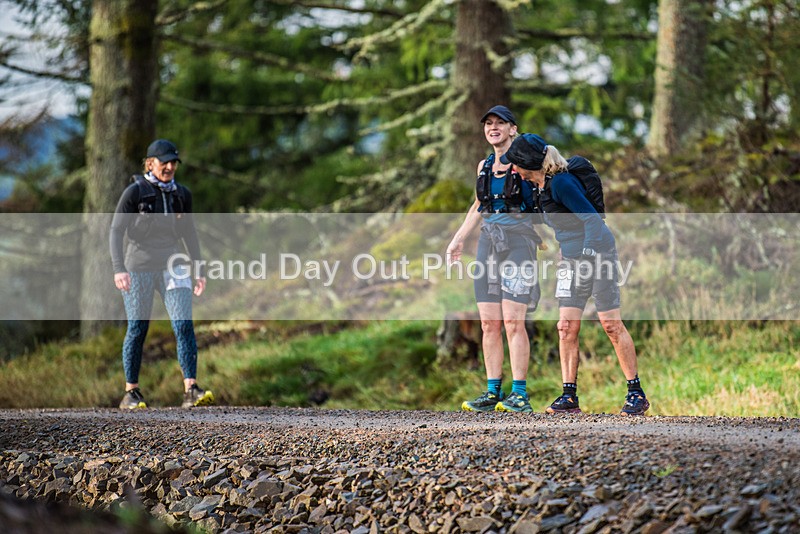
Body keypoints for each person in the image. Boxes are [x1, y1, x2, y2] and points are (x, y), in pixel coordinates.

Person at [500, 133, 649, 416]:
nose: (513, 169)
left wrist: (588, 256)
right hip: (571, 259)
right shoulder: (538, 187)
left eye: (515, 164)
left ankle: (636, 394)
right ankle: (569, 397)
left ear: (527, 163)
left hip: (598, 254)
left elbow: (593, 221)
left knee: (611, 325)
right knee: (566, 327)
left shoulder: (562, 183)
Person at [446, 106, 543, 413]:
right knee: (489, 323)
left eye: (500, 123)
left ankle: (520, 394)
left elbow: (543, 193)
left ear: (513, 129)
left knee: (514, 322)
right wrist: (458, 238)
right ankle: (492, 392)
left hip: (518, 244)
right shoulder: (484, 166)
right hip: (488, 243)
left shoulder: (524, 163)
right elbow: (478, 205)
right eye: (488, 123)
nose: (493, 128)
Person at [109, 139, 214, 410]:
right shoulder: (134, 193)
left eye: (173, 162)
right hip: (138, 267)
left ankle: (190, 388)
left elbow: (189, 233)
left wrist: (199, 269)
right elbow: (115, 231)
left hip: (173, 265)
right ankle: (131, 392)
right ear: (150, 163)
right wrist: (119, 269)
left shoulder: (182, 195)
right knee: (138, 328)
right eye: (164, 162)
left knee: (183, 324)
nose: (169, 167)